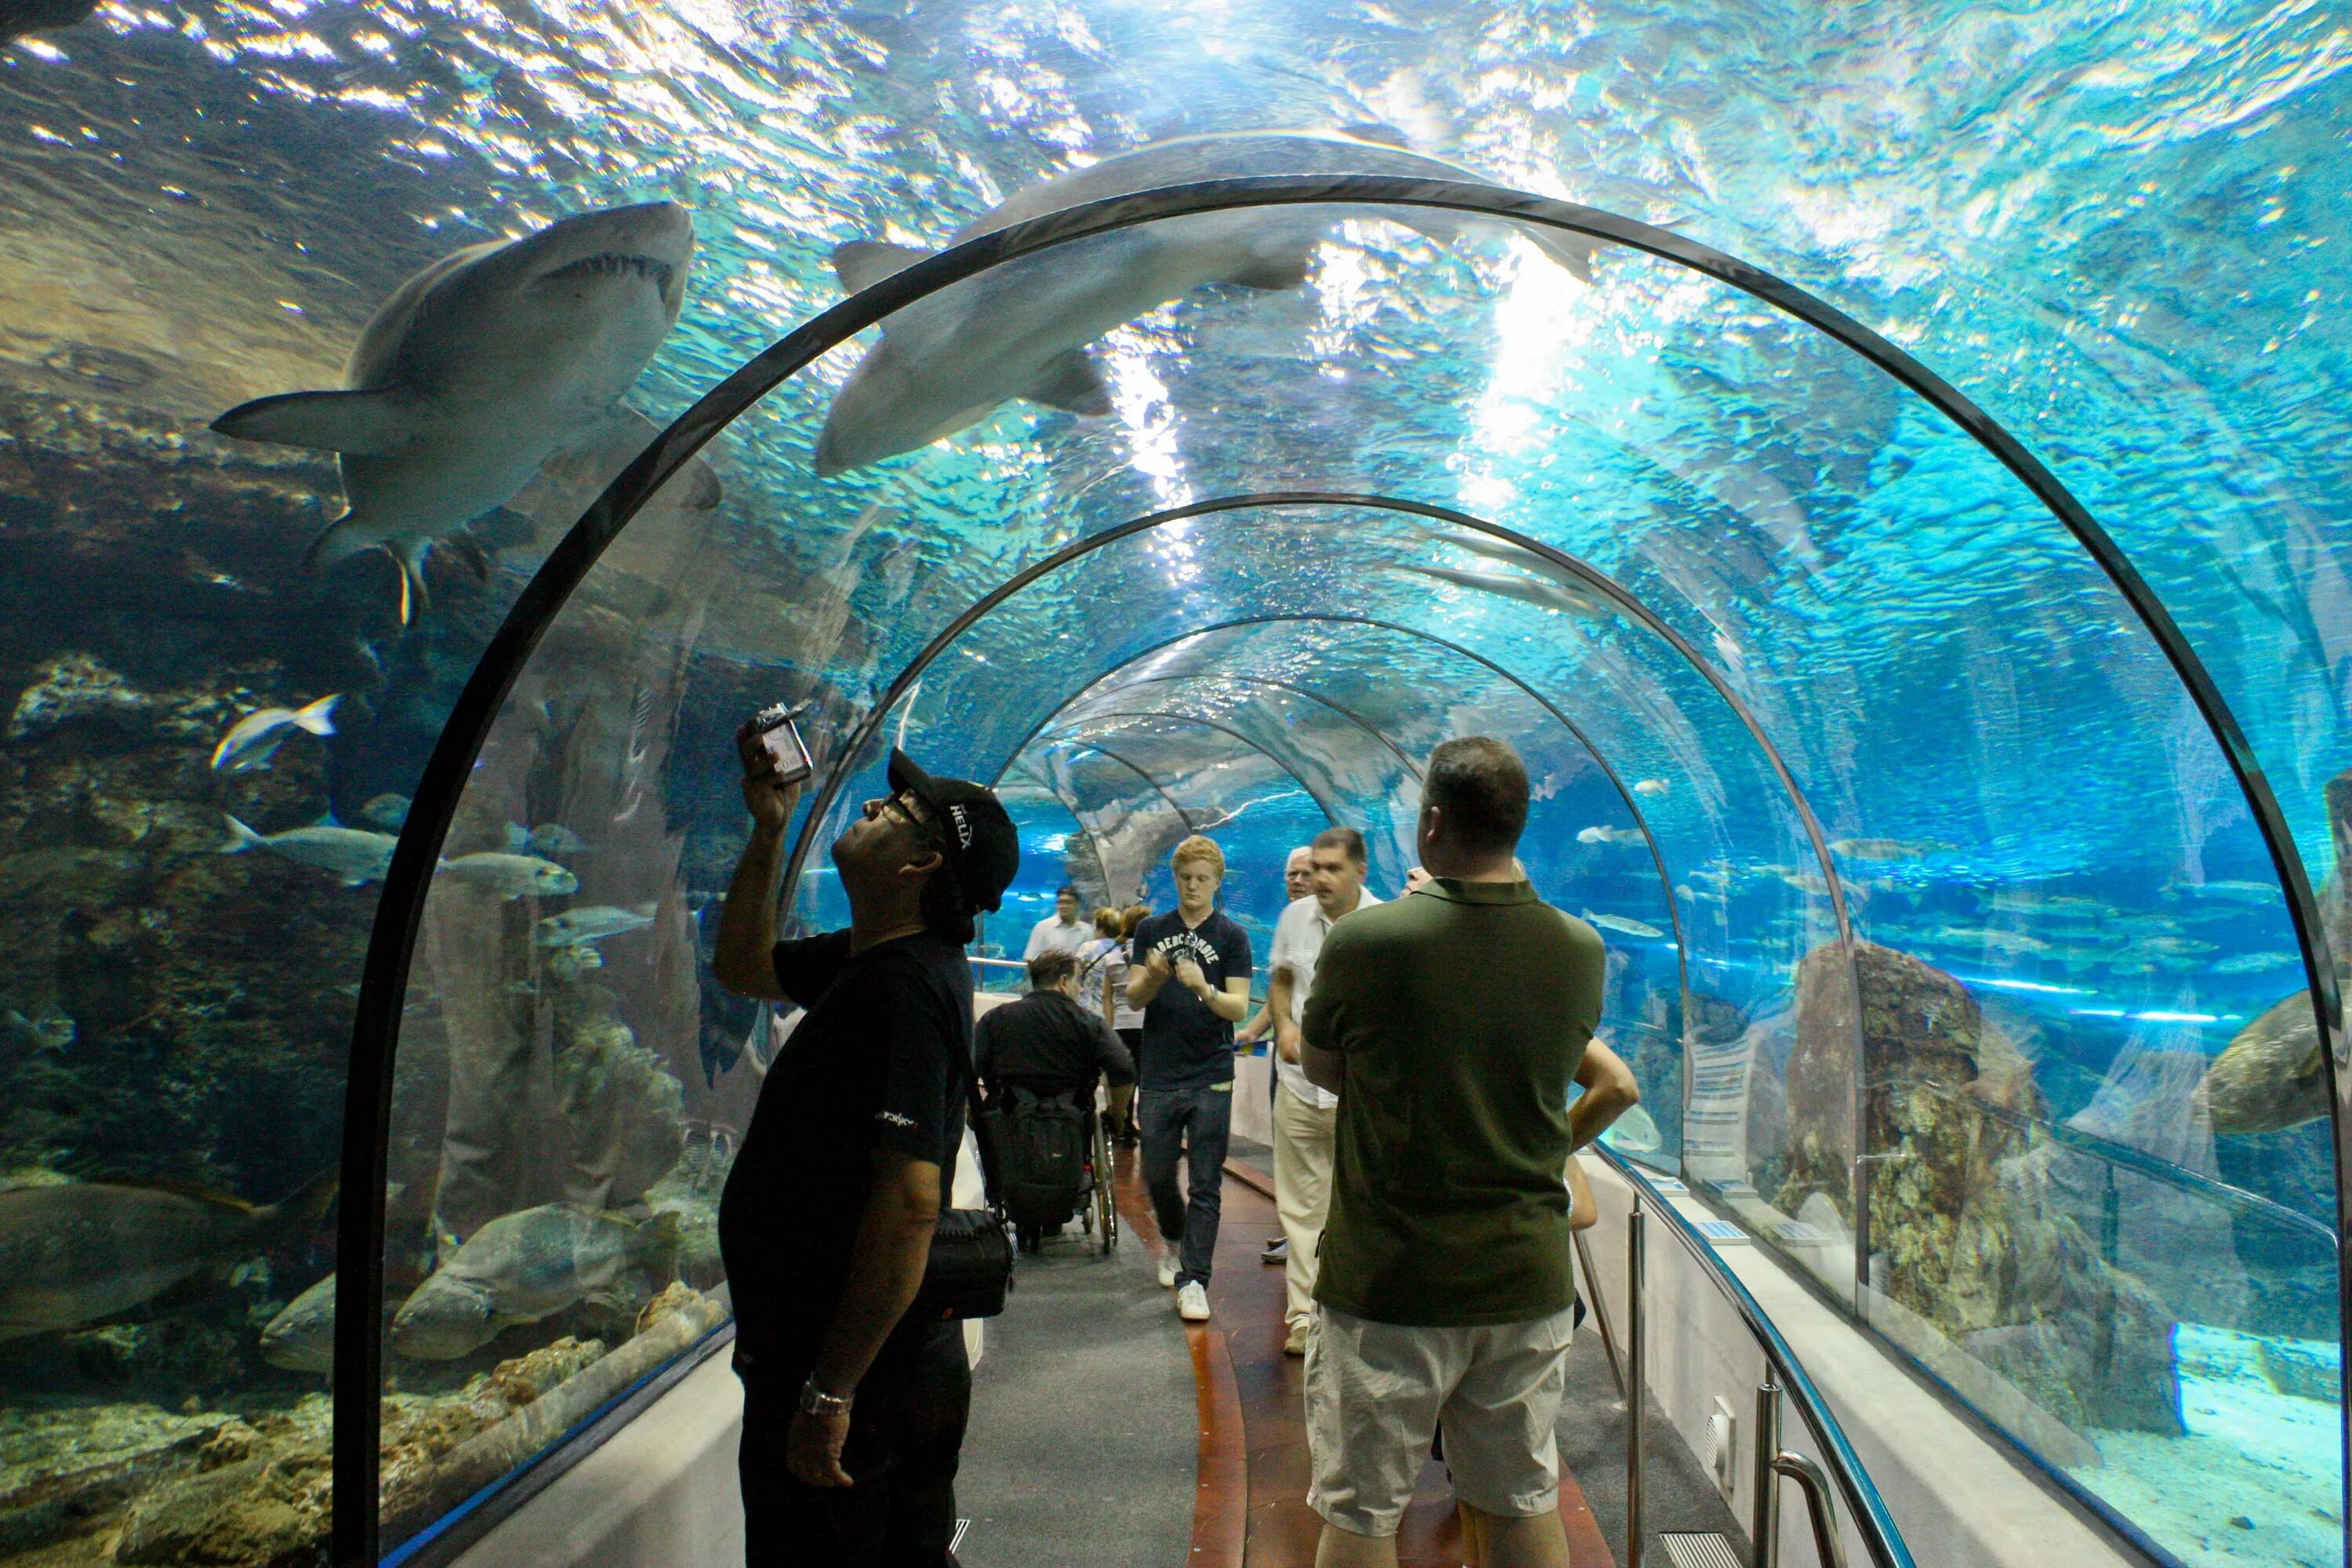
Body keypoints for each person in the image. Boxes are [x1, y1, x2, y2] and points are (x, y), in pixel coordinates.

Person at [1299, 737, 1633, 1568]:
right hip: (1525, 1276)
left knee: (1363, 1508)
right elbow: (1583, 1080)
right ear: (1518, 827)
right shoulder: (1579, 948)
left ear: (1434, 822)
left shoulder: (1369, 941)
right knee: (1520, 1499)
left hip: (1390, 1279)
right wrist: (1530, 1143)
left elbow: (1326, 1069)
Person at [710, 737, 1019, 1566]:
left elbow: (912, 1202)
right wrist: (770, 829)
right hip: (844, 1363)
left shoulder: (907, 989)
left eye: (902, 809)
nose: (875, 806)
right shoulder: (873, 953)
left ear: (922, 864)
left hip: (865, 1382)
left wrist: (827, 1391)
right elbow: (744, 966)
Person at [1126, 835, 1253, 1323]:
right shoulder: (1152, 930)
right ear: (1175, 879)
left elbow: (1238, 1007)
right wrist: (1157, 977)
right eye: (1186, 878)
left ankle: (1195, 1278)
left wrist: (1204, 989)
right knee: (1157, 1174)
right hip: (1158, 1073)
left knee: (1205, 1182)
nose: (1193, 886)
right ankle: (1175, 1241)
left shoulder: (1233, 937)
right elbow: (1135, 999)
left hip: (1211, 1074)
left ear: (1217, 883)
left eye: (1203, 879)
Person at [1265, 826, 1381, 1356]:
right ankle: (1305, 1318)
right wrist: (1285, 1028)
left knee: (1362, 1207)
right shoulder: (1294, 918)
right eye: (1315, 868)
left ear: (1361, 870)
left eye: (1332, 868)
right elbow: (1282, 978)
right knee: (1301, 1209)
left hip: (1361, 1097)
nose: (1319, 879)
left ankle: (1361, 1314)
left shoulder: (1385, 927)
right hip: (1297, 1089)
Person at [1239, 846, 1314, 1264]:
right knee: (1286, 1151)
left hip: (1323, 1062)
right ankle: (1295, 1236)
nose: (1298, 882)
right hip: (1286, 1061)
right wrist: (1250, 1033)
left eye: (1306, 873)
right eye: (1291, 875)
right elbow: (1280, 990)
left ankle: (1313, 1240)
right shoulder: (1288, 924)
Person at [975, 947, 1136, 1107]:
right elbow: (1123, 1069)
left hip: (1008, 1121)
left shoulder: (997, 1018)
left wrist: (973, 1107)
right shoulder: (1090, 1023)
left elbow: (971, 1064)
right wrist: (1117, 1115)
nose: (1081, 989)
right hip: (1070, 1125)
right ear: (1063, 982)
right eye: (1078, 981)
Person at [1073, 908, 1138, 1142]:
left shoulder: (1087, 948)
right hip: (1108, 1016)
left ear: (1098, 925)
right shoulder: (1119, 950)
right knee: (1116, 1069)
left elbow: (1076, 975)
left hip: (1085, 1013)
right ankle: (1117, 1116)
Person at [1022, 883, 1091, 963]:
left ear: (1078, 904)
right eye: (1061, 902)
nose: (1063, 906)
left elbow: (1090, 961)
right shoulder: (1043, 927)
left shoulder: (1087, 931)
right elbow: (1030, 959)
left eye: (1068, 903)